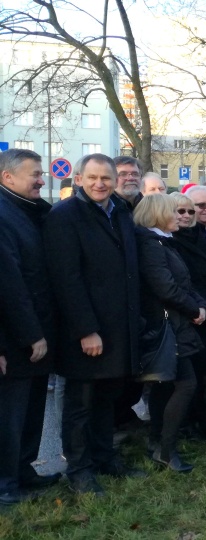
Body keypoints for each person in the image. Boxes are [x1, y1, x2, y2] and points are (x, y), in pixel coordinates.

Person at [44, 154, 145, 495]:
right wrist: (86, 330)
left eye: (106, 178)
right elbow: (66, 279)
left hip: (118, 327)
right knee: (81, 405)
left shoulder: (120, 212)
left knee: (106, 400)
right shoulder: (65, 216)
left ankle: (105, 458)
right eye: (93, 178)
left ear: (115, 180)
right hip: (87, 332)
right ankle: (79, 471)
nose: (100, 183)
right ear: (79, 178)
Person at [0, 149, 60, 506]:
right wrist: (29, 334)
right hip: (16, 339)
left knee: (33, 408)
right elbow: (9, 284)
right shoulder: (4, 216)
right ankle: (4, 483)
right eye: (34, 174)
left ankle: (23, 471)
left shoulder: (31, 212)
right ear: (8, 178)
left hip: (38, 334)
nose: (41, 179)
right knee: (9, 414)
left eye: (41, 174)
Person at [133, 194, 206, 473]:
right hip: (168, 326)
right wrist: (194, 309)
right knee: (184, 383)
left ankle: (157, 442)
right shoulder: (152, 245)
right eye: (173, 212)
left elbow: (183, 283)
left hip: (176, 323)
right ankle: (166, 449)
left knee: (166, 385)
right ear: (158, 215)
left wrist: (201, 305)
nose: (180, 216)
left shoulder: (162, 242)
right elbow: (165, 288)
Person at [168, 192, 206, 442]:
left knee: (205, 370)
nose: (186, 215)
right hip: (186, 316)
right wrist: (196, 309)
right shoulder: (169, 240)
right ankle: (187, 423)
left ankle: (204, 418)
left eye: (190, 212)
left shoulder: (198, 236)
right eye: (181, 211)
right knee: (188, 375)